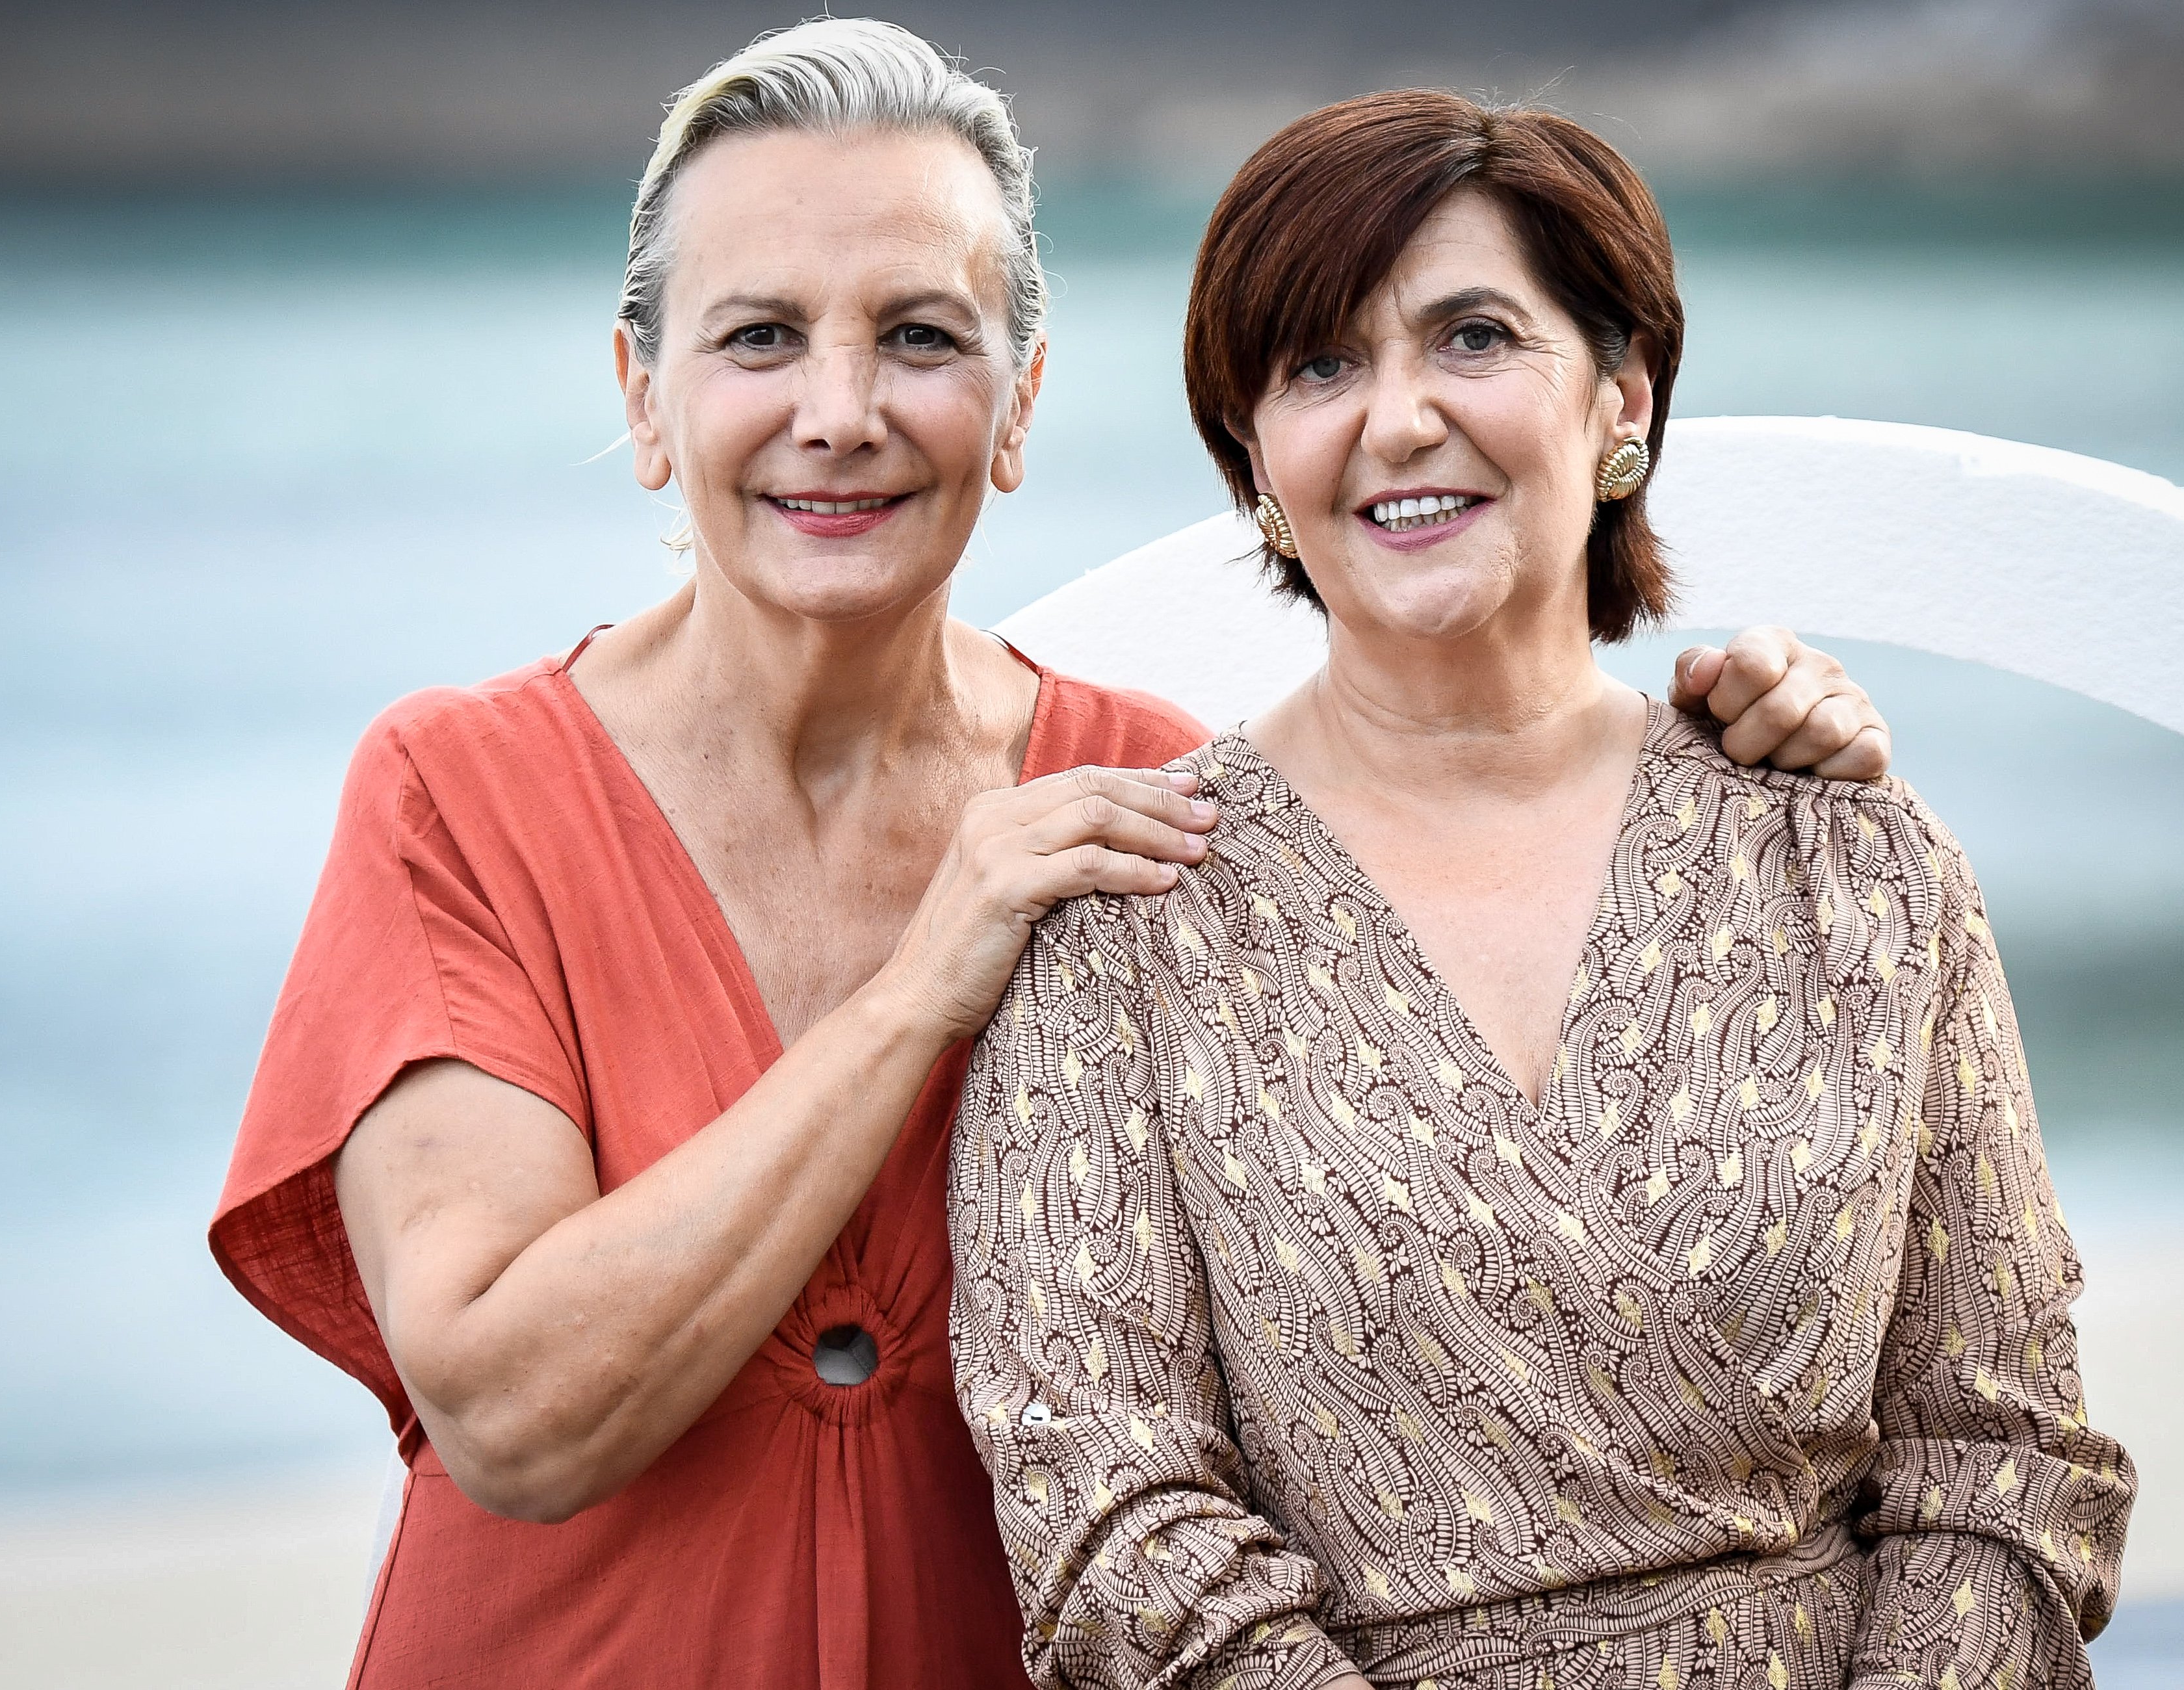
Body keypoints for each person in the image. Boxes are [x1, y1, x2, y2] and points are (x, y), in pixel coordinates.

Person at [210, 21, 1898, 1688]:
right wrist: (915, 997)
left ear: (1014, 406)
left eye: (921, 338)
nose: (841, 410)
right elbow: (510, 1418)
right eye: (758, 339)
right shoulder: (458, 793)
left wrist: (1748, 783)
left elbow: (1483, 1242)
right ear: (645, 396)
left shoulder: (1149, 793)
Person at [950, 88, 2134, 1690]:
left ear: (1622, 399)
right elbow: (1108, 1508)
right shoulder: (1123, 917)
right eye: (1320, 366)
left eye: (1475, 337)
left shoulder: (1853, 861)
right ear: (1254, 460)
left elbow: (2001, 1445)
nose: (1399, 419)